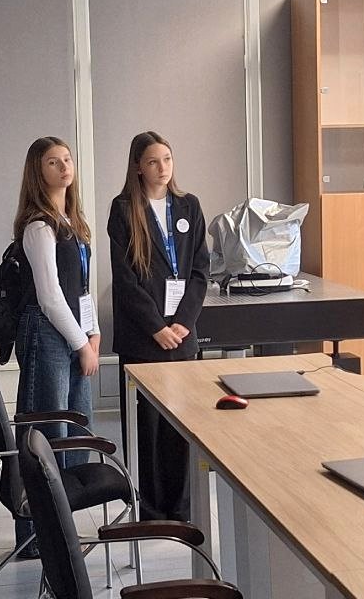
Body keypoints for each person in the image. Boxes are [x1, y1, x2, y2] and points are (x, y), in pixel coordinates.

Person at [107, 131, 209, 522]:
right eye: (153, 161)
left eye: (167, 159)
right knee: (146, 430)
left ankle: (180, 508)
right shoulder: (123, 209)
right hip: (143, 339)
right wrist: (156, 327)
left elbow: (200, 271)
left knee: (180, 425)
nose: (162, 168)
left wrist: (183, 323)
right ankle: (148, 510)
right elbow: (125, 280)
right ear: (138, 167)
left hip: (182, 336)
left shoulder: (188, 206)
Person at [11, 136, 100, 557]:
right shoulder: (38, 226)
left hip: (75, 333)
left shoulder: (73, 224)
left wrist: (93, 333)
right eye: (53, 162)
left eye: (67, 159)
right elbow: (49, 296)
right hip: (47, 332)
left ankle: (62, 527)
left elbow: (81, 288)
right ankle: (36, 537)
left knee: (76, 431)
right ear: (38, 171)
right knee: (47, 432)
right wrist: (81, 342)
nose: (64, 167)